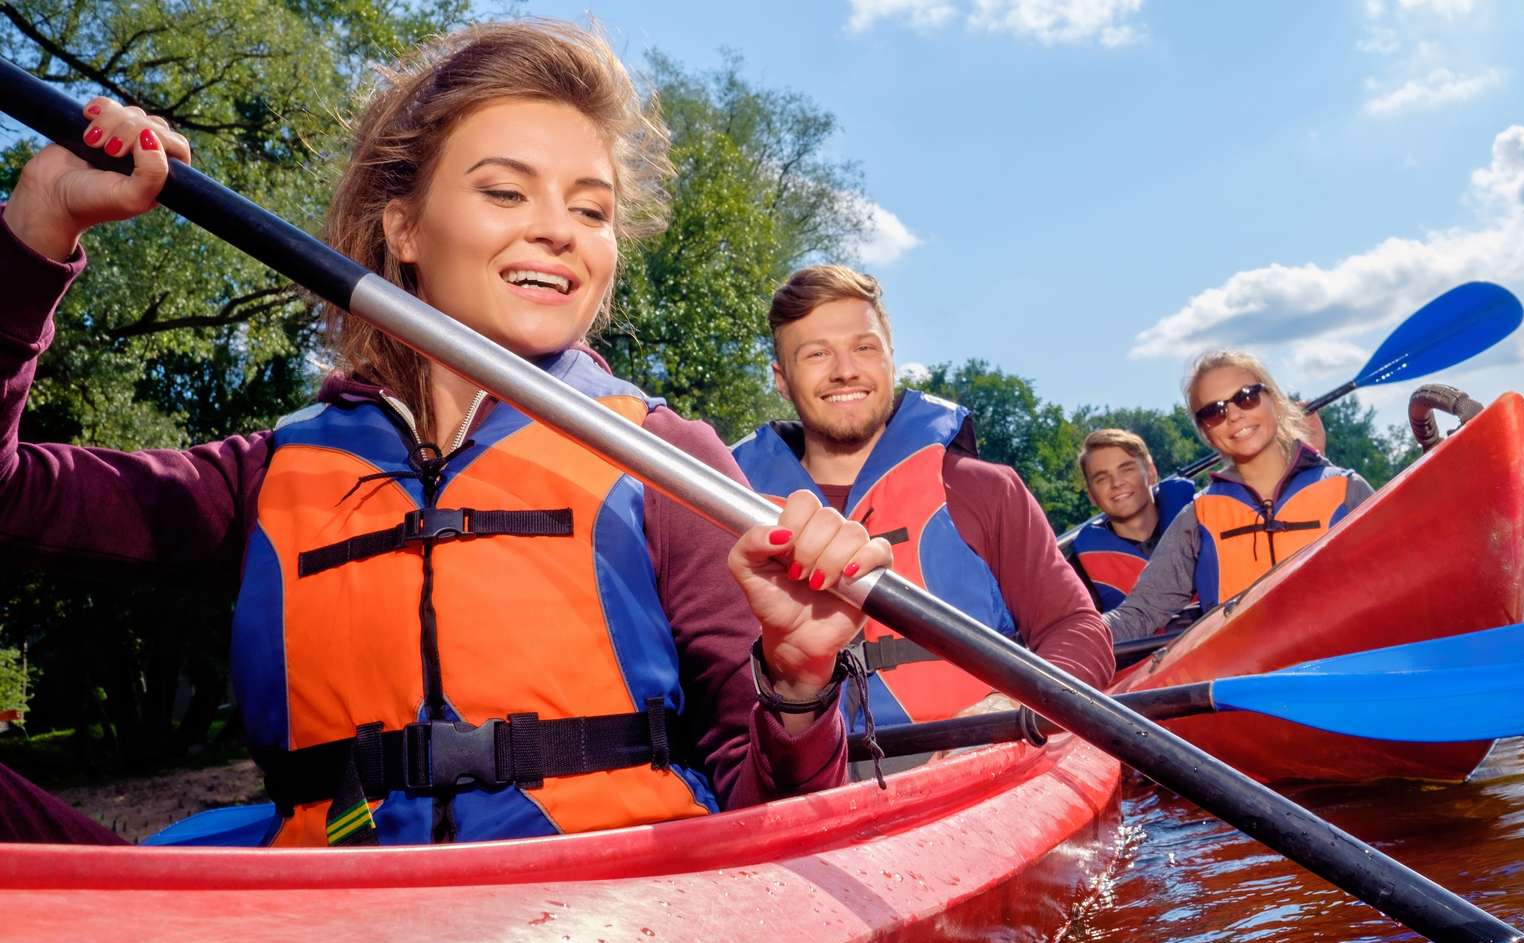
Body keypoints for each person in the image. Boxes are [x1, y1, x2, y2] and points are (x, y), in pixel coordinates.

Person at [0, 20, 891, 847]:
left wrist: (797, 687)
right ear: (404, 229)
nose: (558, 230)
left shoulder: (668, 460)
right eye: (505, 192)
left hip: (599, 911)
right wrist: (39, 222)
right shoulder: (272, 472)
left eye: (592, 210)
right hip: (330, 911)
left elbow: (772, 822)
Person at [732, 265, 1113, 729]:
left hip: (982, 757)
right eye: (816, 354)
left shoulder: (985, 489)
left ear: (890, 360)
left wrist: (1007, 714)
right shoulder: (732, 512)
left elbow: (1078, 630)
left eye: (864, 348)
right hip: (809, 765)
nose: (845, 371)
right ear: (781, 379)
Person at [1105, 350, 1373, 644]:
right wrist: (1080, 634)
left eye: (1247, 397)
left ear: (1274, 400)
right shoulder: (1197, 517)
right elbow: (1140, 613)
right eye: (1214, 412)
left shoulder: (1346, 491)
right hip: (1243, 668)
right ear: (1206, 433)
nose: (1233, 415)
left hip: (1340, 660)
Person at [1066, 428, 1196, 613]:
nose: (1116, 483)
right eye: (1102, 478)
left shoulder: (1204, 519)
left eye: (1126, 469)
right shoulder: (1078, 575)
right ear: (1091, 496)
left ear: (1151, 473)